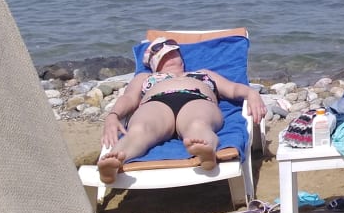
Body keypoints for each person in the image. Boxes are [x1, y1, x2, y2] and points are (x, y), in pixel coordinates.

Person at [99, 36, 266, 183]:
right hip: (156, 102)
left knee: (197, 124)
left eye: (173, 53)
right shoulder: (144, 77)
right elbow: (129, 98)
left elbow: (233, 88)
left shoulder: (204, 73)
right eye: (163, 56)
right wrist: (113, 115)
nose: (170, 57)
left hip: (197, 98)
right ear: (153, 64)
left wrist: (251, 93)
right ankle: (114, 161)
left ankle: (205, 151)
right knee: (139, 129)